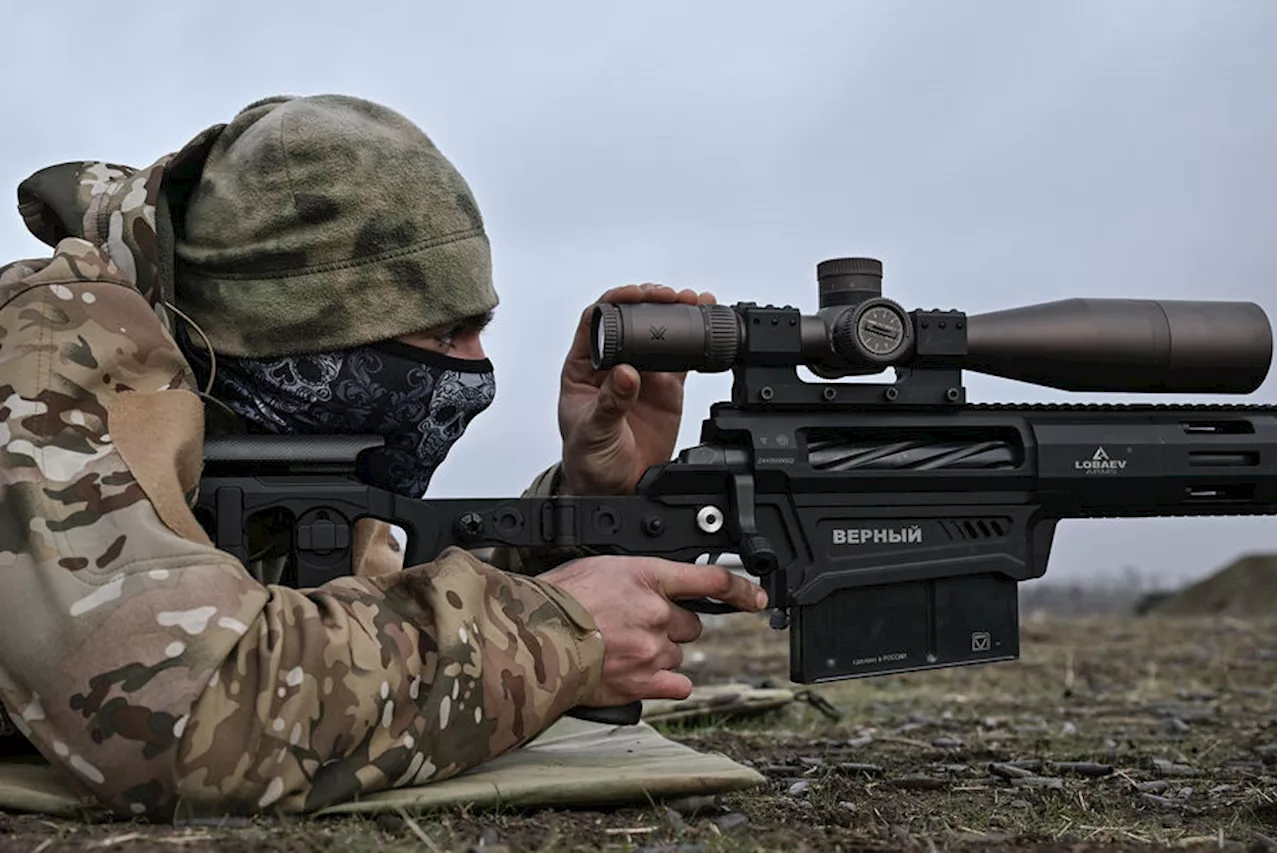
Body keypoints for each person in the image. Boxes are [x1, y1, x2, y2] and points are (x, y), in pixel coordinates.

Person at [0, 94, 766, 821]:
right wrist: (554, 633)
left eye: (479, 330)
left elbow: (363, 629)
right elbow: (179, 716)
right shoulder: (52, 347)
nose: (474, 371)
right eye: (443, 336)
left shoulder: (265, 426)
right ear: (294, 338)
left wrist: (582, 513)